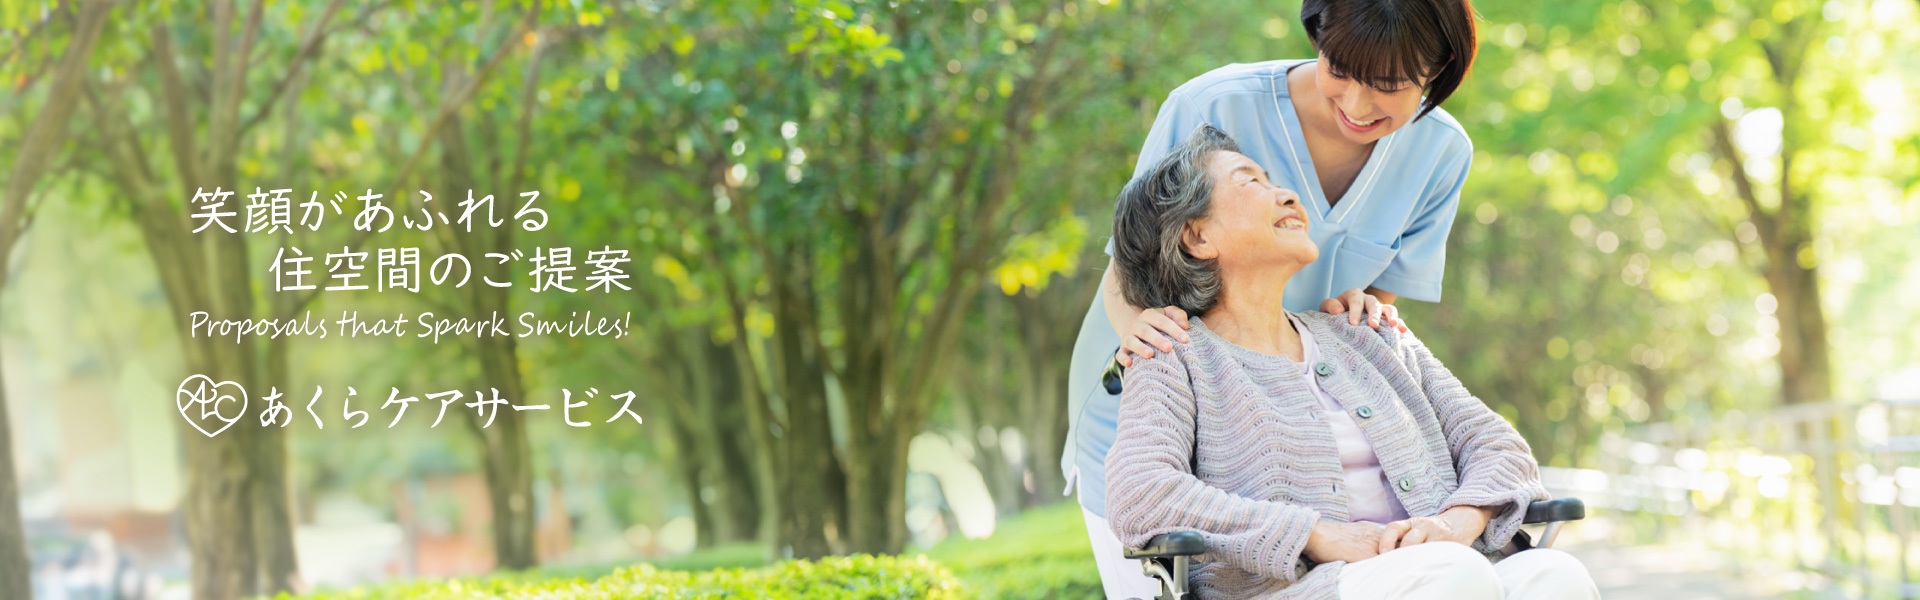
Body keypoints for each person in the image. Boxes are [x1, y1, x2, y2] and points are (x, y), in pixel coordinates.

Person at [1063, 2, 1487, 595]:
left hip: (1293, 433)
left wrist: (1364, 312)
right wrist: (1160, 355)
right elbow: (1135, 252)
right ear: (1317, 35)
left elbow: (1370, 304)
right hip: (1158, 406)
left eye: (1388, 86)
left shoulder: (1441, 153)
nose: (1358, 105)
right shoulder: (1213, 106)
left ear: (1438, 69)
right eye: (1340, 69)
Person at [1103, 123, 1598, 599]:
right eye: (1250, 181)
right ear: (1197, 237)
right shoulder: (1172, 357)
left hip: (1452, 566)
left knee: (1554, 574)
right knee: (1453, 574)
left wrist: (1454, 525)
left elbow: (1497, 445)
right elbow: (1142, 493)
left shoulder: (1366, 334)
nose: (1288, 194)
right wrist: (1314, 534)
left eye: (1275, 181)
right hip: (1305, 588)